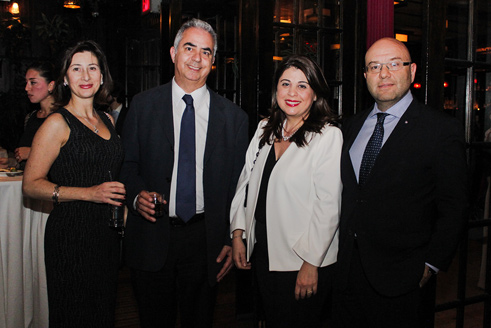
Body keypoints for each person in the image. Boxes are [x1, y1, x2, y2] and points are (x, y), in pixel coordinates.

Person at [119, 18, 248, 327]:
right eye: (190, 48)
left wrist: (233, 238)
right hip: (151, 236)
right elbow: (126, 166)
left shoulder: (235, 118)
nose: (197, 58)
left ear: (213, 61)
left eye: (206, 51)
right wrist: (136, 197)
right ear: (174, 52)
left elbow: (238, 186)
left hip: (206, 242)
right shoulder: (141, 106)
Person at [333, 37, 468, 328]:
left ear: (412, 71)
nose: (384, 74)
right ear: (366, 76)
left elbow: (454, 205)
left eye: (394, 64)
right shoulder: (350, 127)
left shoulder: (440, 130)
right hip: (345, 273)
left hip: (403, 278)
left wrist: (431, 264)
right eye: (375, 66)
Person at [230, 55, 342, 327]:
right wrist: (237, 233)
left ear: (315, 93)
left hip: (300, 260)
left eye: (302, 85)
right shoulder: (263, 130)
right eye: (285, 84)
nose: (292, 93)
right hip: (263, 252)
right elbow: (244, 184)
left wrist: (310, 263)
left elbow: (328, 207)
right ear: (276, 90)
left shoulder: (327, 136)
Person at [22, 40, 125, 327]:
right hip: (70, 235)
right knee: (74, 315)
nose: (85, 76)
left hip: (105, 236)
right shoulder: (57, 122)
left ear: (102, 76)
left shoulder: (107, 120)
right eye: (76, 69)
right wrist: (89, 193)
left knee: (102, 312)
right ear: (65, 79)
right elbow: (30, 185)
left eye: (92, 68)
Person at [14, 62, 56, 168]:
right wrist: (12, 162)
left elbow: (69, 156)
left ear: (50, 85)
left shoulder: (63, 117)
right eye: (26, 82)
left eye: (33, 83)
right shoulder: (31, 117)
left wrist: (32, 153)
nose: (27, 88)